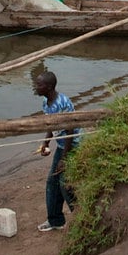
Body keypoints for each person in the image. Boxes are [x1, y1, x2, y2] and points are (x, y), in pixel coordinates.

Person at [34, 71, 80, 231]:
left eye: (39, 85)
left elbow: (70, 132)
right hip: (62, 146)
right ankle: (55, 221)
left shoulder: (62, 103)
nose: (36, 87)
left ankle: (81, 217)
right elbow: (51, 126)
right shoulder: (46, 103)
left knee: (65, 184)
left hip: (72, 146)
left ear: (49, 87)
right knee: (53, 183)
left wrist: (64, 159)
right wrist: (45, 144)